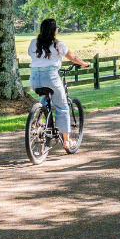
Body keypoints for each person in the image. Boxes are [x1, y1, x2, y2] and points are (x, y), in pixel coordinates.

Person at [28, 18, 89, 150]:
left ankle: (38, 117)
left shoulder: (34, 43)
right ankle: (66, 142)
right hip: (51, 77)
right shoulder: (58, 45)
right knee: (62, 107)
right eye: (57, 28)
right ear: (53, 31)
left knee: (46, 94)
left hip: (34, 78)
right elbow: (73, 58)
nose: (58, 30)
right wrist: (84, 64)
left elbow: (34, 57)